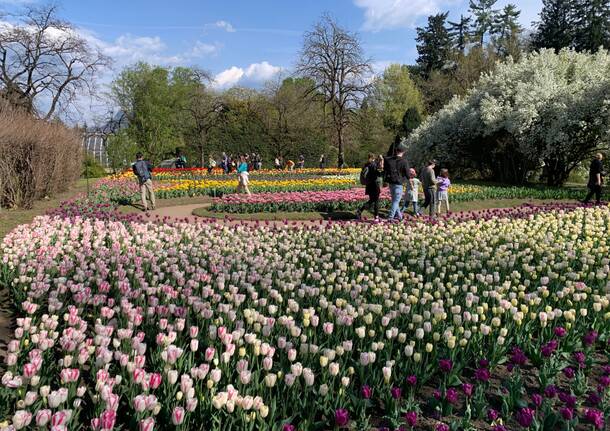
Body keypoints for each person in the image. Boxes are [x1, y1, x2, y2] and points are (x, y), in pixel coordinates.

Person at [383, 140, 410, 221]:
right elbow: (407, 174)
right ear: (403, 152)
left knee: (395, 200)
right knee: (396, 201)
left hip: (391, 182)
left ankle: (400, 217)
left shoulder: (389, 160)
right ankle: (390, 217)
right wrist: (410, 180)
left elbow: (385, 169)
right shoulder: (404, 161)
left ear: (396, 151)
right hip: (399, 183)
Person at [356, 154, 384, 220]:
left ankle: (359, 211)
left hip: (369, 185)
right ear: (374, 158)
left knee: (371, 200)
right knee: (376, 201)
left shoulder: (366, 165)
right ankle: (376, 216)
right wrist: (381, 161)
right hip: (375, 184)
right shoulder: (374, 165)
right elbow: (379, 173)